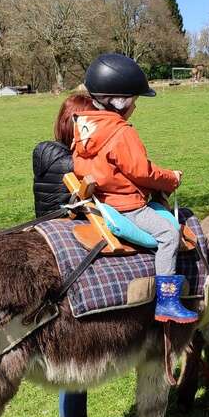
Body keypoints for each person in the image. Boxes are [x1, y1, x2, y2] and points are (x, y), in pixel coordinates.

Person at [73, 52, 199, 324]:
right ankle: (167, 301)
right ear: (121, 101)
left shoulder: (84, 128)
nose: (135, 106)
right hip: (127, 206)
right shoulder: (121, 132)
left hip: (102, 199)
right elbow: (142, 172)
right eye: (134, 100)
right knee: (169, 233)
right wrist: (172, 179)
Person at [33, 94, 123, 417]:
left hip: (66, 253)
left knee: (77, 364)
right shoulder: (61, 160)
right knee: (74, 356)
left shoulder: (53, 154)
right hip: (66, 261)